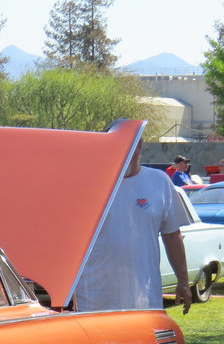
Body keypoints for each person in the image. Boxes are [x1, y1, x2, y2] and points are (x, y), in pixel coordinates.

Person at [74, 129, 190, 314]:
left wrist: (183, 281)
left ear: (140, 146)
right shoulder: (87, 183)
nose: (125, 154)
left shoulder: (159, 182)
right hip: (93, 300)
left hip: (145, 299)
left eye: (130, 147)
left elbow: (172, 235)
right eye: (118, 148)